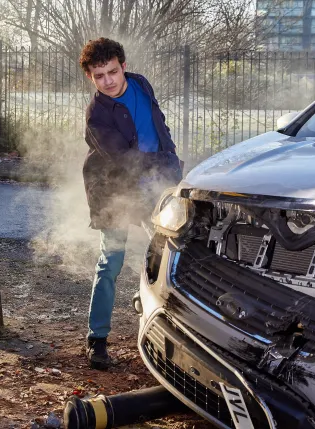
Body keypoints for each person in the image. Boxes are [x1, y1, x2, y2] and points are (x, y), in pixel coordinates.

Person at [79, 38, 182, 369]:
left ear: (123, 65)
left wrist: (172, 163)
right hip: (112, 188)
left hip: (153, 180)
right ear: (90, 78)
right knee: (111, 260)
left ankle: (167, 332)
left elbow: (158, 123)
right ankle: (97, 339)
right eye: (99, 75)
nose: (107, 80)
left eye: (112, 71)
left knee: (169, 255)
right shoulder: (97, 113)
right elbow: (122, 161)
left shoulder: (140, 84)